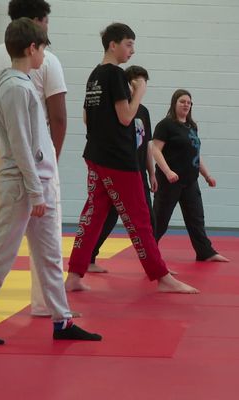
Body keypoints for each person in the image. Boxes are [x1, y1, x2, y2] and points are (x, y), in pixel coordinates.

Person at [0, 18, 101, 345]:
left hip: (38, 184)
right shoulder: (12, 86)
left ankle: (62, 320)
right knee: (1, 254)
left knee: (50, 256)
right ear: (31, 48)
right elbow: (21, 145)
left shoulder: (21, 82)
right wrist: (36, 192)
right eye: (43, 49)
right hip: (24, 188)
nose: (45, 57)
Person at [64, 23, 198, 294]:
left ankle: (75, 275)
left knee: (94, 214)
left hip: (96, 154)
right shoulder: (114, 75)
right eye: (128, 44)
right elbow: (126, 117)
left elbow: (87, 117)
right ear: (113, 44)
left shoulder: (94, 76)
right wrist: (139, 91)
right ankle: (161, 276)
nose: (132, 51)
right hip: (117, 160)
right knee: (140, 219)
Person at [0, 0, 71, 317]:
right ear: (36, 25)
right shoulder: (46, 59)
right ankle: (43, 303)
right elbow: (59, 117)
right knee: (43, 233)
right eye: (46, 22)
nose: (48, 27)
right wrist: (51, 161)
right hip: (30, 152)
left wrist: (4, 127)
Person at [87, 65, 157, 273]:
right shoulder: (118, 107)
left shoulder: (143, 112)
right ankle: (89, 258)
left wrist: (152, 172)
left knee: (149, 220)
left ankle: (155, 264)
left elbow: (147, 145)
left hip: (138, 171)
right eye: (137, 82)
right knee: (106, 217)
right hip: (118, 169)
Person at [151, 89, 229, 262]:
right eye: (182, 101)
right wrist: (167, 171)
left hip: (190, 181)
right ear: (174, 104)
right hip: (170, 181)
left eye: (189, 102)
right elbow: (155, 149)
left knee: (196, 218)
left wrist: (207, 175)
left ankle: (205, 252)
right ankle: (149, 253)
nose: (186, 104)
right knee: (160, 219)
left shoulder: (191, 126)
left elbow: (195, 153)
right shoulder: (166, 125)